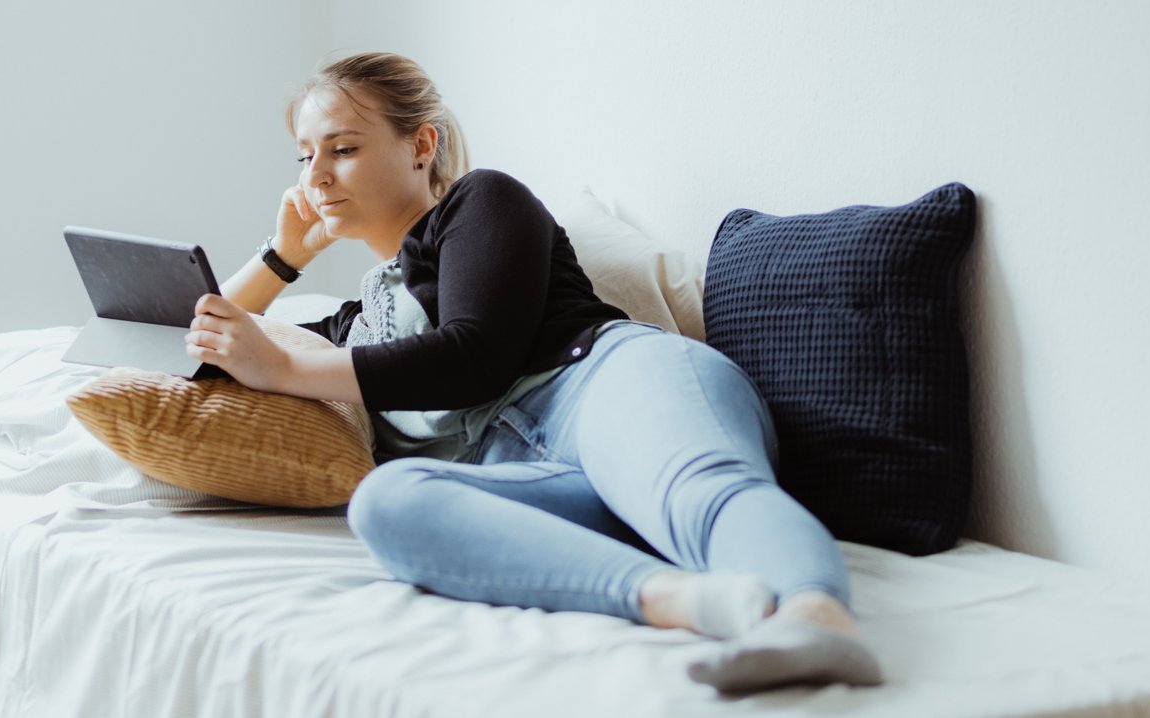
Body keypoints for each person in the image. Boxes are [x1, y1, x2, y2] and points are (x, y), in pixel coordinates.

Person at [185, 51, 882, 693]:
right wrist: (281, 259)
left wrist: (281, 366)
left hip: (609, 385)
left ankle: (817, 618)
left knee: (701, 491)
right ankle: (696, 603)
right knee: (387, 502)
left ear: (421, 146)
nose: (317, 177)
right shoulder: (360, 322)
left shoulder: (481, 203)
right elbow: (211, 358)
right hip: (535, 474)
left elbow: (473, 357)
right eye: (305, 157)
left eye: (342, 149)